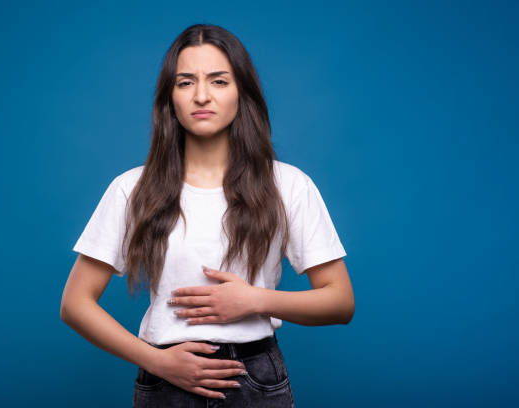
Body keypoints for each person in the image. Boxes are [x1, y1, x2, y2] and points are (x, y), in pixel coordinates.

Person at [60, 23, 354, 407]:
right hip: (165, 379)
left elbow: (339, 301)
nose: (201, 96)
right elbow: (75, 303)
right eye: (185, 83)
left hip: (256, 380)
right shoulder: (132, 189)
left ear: (241, 93)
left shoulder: (288, 185)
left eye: (218, 81)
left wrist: (254, 300)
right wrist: (158, 362)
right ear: (170, 99)